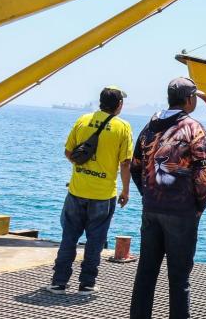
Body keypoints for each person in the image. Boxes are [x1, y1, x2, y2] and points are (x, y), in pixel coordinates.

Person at [130, 78, 206, 319]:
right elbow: (205, 172)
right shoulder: (193, 128)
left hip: (151, 209)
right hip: (181, 212)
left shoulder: (149, 127)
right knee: (179, 278)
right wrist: (199, 205)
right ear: (189, 99)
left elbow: (136, 166)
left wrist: (147, 194)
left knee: (146, 273)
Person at [46, 86, 133, 296]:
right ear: (119, 105)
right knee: (95, 242)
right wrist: (126, 191)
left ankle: (59, 282)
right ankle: (86, 284)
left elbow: (68, 152)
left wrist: (82, 167)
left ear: (100, 102)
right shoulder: (122, 127)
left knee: (69, 238)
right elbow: (125, 163)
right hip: (103, 195)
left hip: (77, 191)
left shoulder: (83, 120)